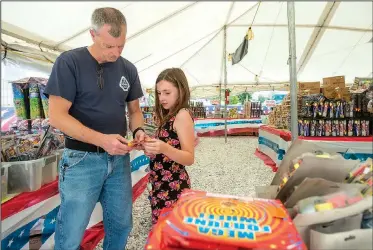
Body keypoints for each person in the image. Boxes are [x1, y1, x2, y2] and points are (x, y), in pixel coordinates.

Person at [44, 7, 146, 250]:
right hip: (81, 160)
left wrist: (139, 130)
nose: (116, 52)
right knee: (71, 231)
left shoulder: (128, 69)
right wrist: (102, 140)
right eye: (109, 46)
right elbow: (57, 116)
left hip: (118, 160)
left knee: (121, 224)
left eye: (121, 46)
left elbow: (134, 111)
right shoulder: (69, 62)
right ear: (92, 34)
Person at [142, 68, 195, 225]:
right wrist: (148, 145)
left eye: (167, 92)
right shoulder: (170, 114)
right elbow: (168, 145)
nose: (162, 98)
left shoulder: (182, 115)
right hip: (161, 184)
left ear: (180, 90)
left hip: (173, 186)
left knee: (169, 233)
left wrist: (163, 148)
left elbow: (189, 158)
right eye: (159, 93)